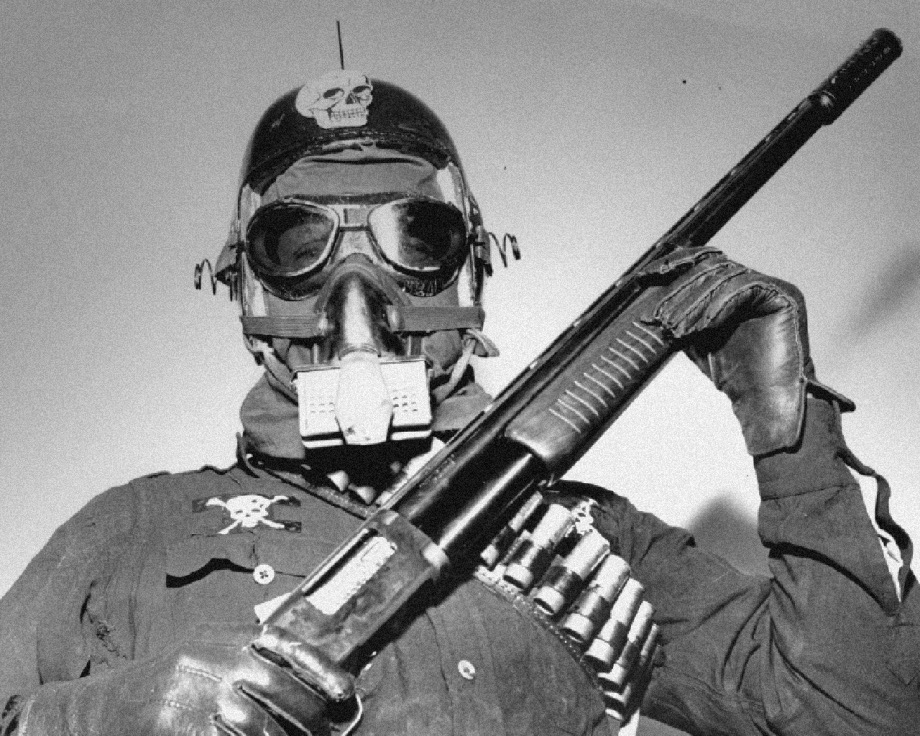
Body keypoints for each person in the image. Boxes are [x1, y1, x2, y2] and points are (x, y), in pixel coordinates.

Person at [0, 71, 916, 736]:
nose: (357, 299)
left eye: (416, 237)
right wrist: (100, 717)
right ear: (244, 285)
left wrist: (788, 425)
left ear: (473, 269)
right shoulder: (135, 529)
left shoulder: (591, 541)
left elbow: (854, 711)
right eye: (297, 245)